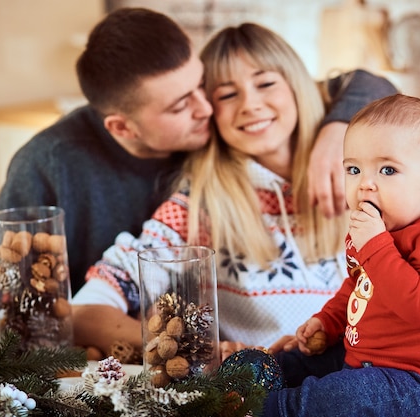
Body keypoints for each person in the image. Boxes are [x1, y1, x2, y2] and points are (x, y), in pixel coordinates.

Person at [0, 7, 397, 327]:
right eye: (182, 103)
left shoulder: (251, 131)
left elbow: (364, 83)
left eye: (200, 86)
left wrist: (339, 131)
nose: (207, 107)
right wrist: (135, 334)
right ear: (124, 127)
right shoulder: (50, 163)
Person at [71, 22, 397, 359]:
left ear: (299, 86)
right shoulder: (200, 205)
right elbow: (85, 312)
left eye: (266, 83)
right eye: (227, 94)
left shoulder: (365, 178)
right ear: (210, 112)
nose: (250, 105)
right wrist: (197, 350)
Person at [264, 94, 420, 417]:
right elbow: (359, 286)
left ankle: (263, 409)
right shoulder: (375, 228)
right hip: (365, 360)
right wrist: (327, 321)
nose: (365, 184)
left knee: (337, 398)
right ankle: (250, 381)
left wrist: (375, 246)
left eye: (387, 170)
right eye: (353, 169)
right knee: (297, 361)